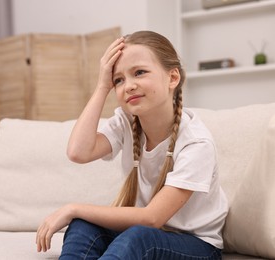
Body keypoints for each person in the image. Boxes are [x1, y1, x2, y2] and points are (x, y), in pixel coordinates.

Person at [36, 31, 228, 259]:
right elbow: (78, 152)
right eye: (118, 80)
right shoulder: (126, 123)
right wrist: (101, 87)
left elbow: (152, 218)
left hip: (198, 245)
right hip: (148, 233)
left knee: (139, 237)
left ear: (173, 78)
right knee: (83, 225)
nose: (129, 86)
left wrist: (72, 208)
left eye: (139, 72)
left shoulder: (196, 142)